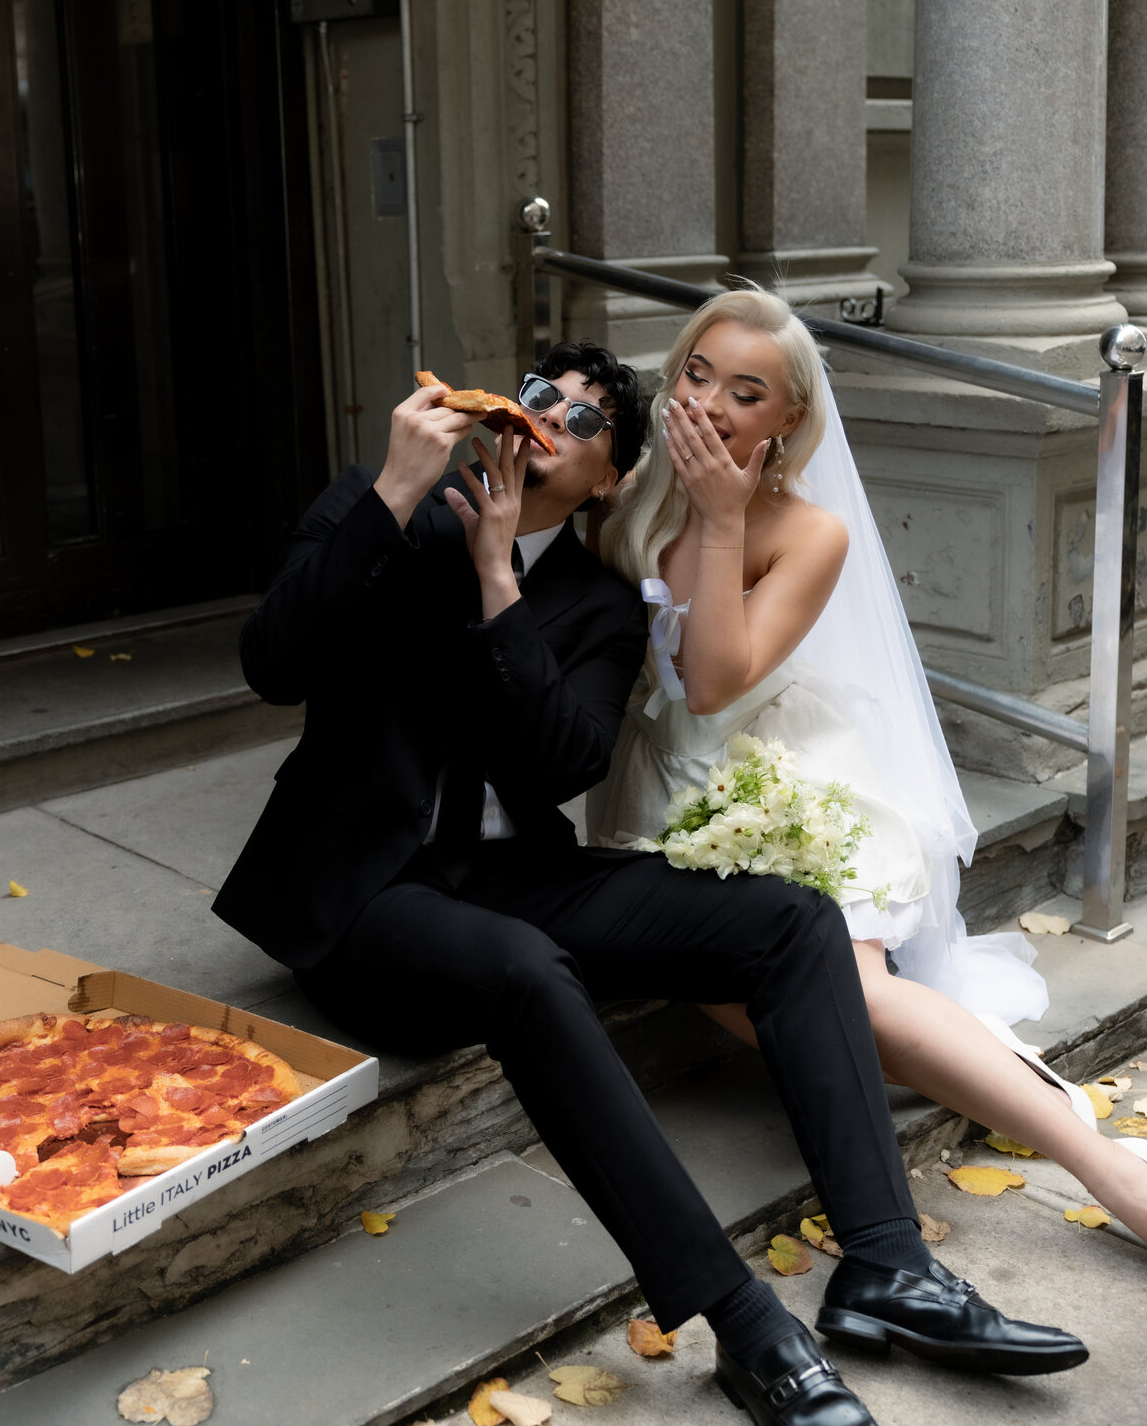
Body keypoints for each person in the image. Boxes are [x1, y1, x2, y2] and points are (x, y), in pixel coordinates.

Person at [216, 340, 1085, 1426]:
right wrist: (396, 490)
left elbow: (562, 763)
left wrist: (499, 587)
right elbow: (271, 662)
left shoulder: (592, 600)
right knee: (531, 972)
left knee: (792, 920)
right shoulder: (381, 511)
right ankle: (741, 1320)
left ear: (608, 478)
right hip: (363, 896)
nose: (548, 424)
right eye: (538, 399)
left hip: (508, 876)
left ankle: (888, 1264)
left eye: (584, 424)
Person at [589, 287, 1147, 1244]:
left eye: (748, 391)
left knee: (853, 989)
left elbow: (718, 683)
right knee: (777, 1000)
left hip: (780, 772)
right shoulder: (635, 489)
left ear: (791, 418)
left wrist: (723, 523)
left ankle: (1107, 1168)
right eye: (698, 373)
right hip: (656, 790)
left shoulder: (811, 531)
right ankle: (1022, 1094)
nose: (714, 403)